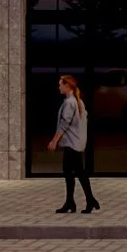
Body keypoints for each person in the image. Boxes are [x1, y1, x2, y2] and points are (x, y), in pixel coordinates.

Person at [48, 74, 99, 214]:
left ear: (67, 86)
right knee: (74, 172)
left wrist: (54, 141)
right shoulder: (78, 101)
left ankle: (84, 200)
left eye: (60, 84)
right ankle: (76, 201)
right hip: (76, 143)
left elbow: (64, 123)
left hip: (72, 144)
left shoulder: (70, 102)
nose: (59, 87)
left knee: (73, 173)